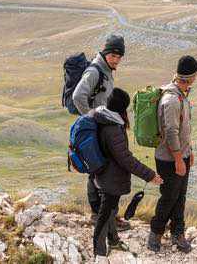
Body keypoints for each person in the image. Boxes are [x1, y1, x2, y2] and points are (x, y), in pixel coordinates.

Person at [91, 88, 163, 263]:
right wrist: (150, 175)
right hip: (110, 178)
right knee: (105, 214)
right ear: (120, 109)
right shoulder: (112, 129)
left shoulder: (104, 118)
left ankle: (113, 241)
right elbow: (126, 160)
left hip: (104, 175)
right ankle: (99, 253)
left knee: (110, 211)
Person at [72, 34, 130, 230]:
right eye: (113, 55)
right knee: (98, 170)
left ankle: (105, 214)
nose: (116, 60)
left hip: (102, 128)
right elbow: (78, 95)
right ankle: (99, 215)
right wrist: (91, 117)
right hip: (96, 128)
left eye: (119, 56)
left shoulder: (106, 70)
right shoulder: (95, 71)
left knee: (100, 170)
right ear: (105, 54)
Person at [147, 55, 197, 253]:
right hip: (169, 159)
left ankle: (178, 233)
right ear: (191, 77)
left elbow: (184, 127)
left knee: (180, 196)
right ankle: (155, 233)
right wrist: (178, 159)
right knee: (169, 197)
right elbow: (170, 132)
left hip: (181, 155)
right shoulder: (171, 99)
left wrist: (189, 151)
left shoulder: (182, 94)